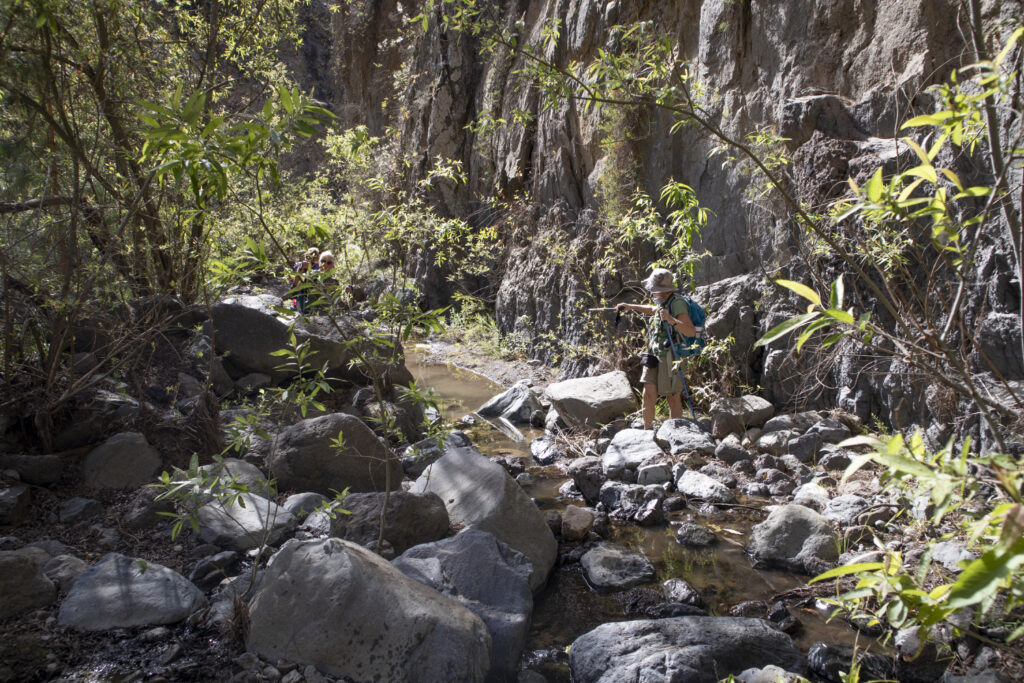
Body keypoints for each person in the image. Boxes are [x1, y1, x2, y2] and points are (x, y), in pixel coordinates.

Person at [616, 267, 696, 430]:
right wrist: (630, 306)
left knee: (672, 397)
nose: (651, 290)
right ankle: (647, 431)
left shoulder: (677, 302)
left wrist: (671, 320)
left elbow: (690, 330)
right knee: (648, 392)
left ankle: (677, 433)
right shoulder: (661, 301)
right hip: (655, 352)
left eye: (653, 288)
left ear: (662, 289)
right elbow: (652, 310)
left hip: (671, 355)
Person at [291, 247, 320, 313]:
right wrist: (302, 270)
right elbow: (294, 283)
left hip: (314, 291)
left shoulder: (319, 266)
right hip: (303, 292)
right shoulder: (300, 265)